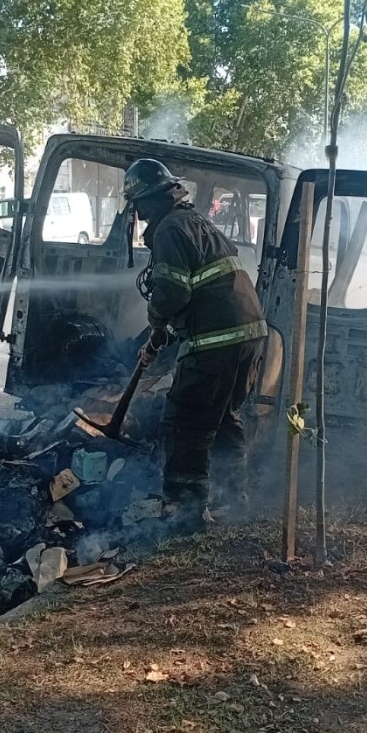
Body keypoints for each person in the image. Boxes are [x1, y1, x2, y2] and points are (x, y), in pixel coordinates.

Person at [124, 158, 267, 527]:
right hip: (247, 336)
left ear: (153, 199)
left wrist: (156, 323)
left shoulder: (169, 229)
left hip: (217, 340)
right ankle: (234, 502)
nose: (138, 214)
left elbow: (171, 293)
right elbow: (199, 293)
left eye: (138, 205)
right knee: (221, 419)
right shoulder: (196, 222)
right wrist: (162, 337)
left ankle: (184, 513)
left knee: (185, 422)